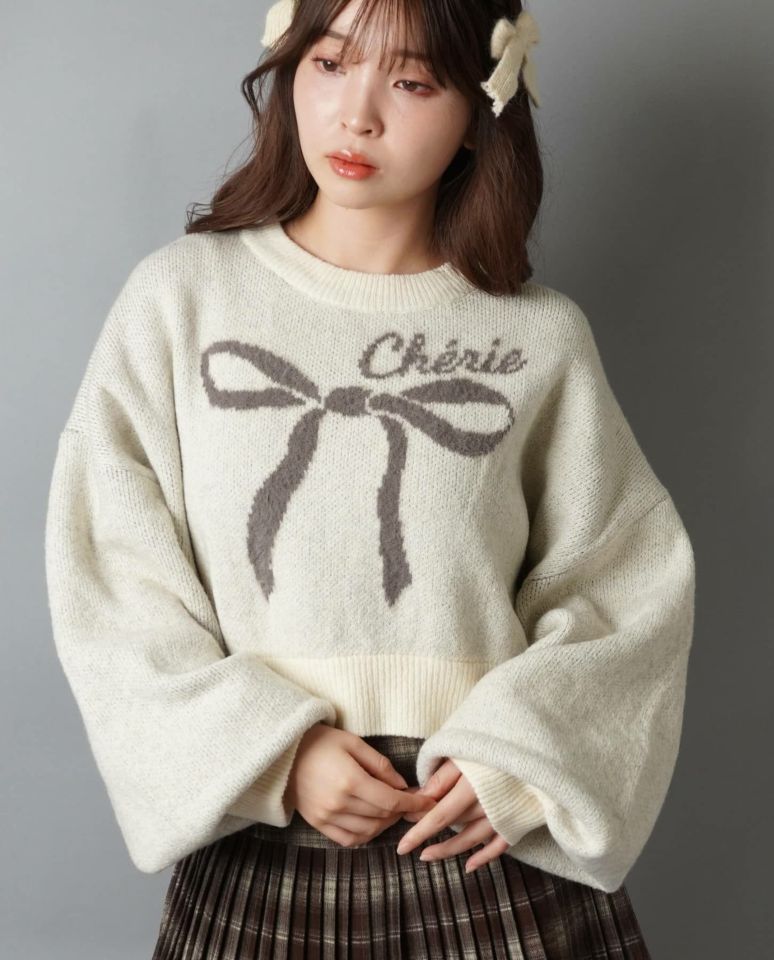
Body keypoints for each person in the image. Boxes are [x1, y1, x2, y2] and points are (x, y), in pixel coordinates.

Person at [44, 1, 695, 957]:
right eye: (329, 63)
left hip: (472, 838)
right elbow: (111, 572)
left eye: (412, 81)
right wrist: (277, 751)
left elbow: (624, 582)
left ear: (480, 109)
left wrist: (519, 762)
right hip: (262, 832)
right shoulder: (182, 299)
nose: (357, 115)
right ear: (287, 68)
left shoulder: (537, 338)